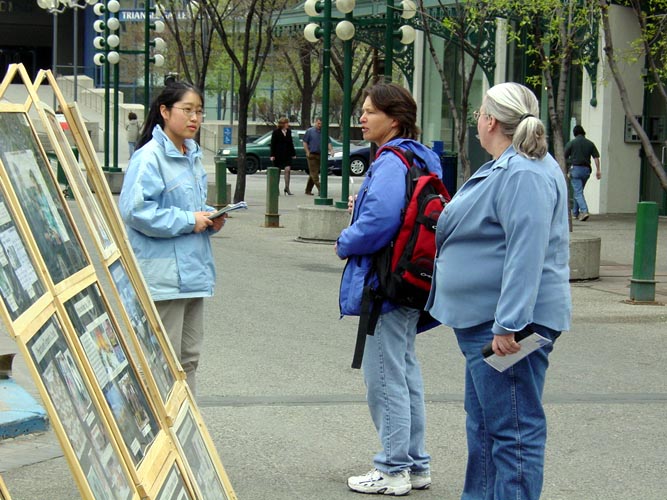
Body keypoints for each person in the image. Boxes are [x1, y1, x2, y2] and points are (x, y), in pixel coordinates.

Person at [427, 82, 571, 500]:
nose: (477, 119)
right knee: (486, 425)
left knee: (513, 432)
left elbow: (526, 252)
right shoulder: (510, 166)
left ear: (490, 120)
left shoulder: (523, 172)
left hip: (506, 327)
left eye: (479, 113)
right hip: (487, 321)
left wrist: (509, 324)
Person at [335, 82, 442, 496]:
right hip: (411, 281)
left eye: (370, 112)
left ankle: (393, 469)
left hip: (385, 283)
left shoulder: (390, 162)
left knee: (384, 377)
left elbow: (379, 222)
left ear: (394, 120)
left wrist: (345, 240)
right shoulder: (419, 158)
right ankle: (415, 465)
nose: (362, 118)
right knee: (405, 372)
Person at [119, 81, 226, 397]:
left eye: (199, 111)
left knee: (188, 359)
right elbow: (136, 211)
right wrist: (189, 220)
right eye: (188, 110)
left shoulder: (191, 155)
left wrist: (208, 218)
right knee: (162, 363)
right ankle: (155, 424)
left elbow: (186, 207)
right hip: (163, 277)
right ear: (164, 111)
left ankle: (185, 423)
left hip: (193, 274)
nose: (195, 118)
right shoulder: (149, 157)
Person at [564, 124, 601, 221]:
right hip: (586, 171)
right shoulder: (590, 143)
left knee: (578, 192)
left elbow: (564, 156)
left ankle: (584, 211)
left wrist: (566, 168)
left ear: (574, 133)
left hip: (575, 169)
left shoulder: (572, 143)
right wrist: (598, 170)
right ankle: (575, 213)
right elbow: (596, 158)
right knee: (578, 191)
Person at [302, 117, 333, 195]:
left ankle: (308, 190)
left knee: (313, 173)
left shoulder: (324, 132)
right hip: (312, 154)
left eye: (321, 124)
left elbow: (328, 142)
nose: (320, 125)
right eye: (318, 123)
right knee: (314, 173)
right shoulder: (310, 131)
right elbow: (305, 142)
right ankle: (321, 189)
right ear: (315, 122)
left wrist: (331, 150)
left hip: (321, 154)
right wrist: (307, 152)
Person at [270, 117, 296, 195]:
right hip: (278, 154)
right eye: (286, 123)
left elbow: (291, 143)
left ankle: (287, 187)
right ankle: (276, 188)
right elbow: (273, 144)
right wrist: (272, 155)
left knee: (287, 169)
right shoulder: (276, 132)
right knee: (277, 171)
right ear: (283, 124)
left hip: (287, 154)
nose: (288, 124)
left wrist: (293, 153)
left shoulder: (289, 132)